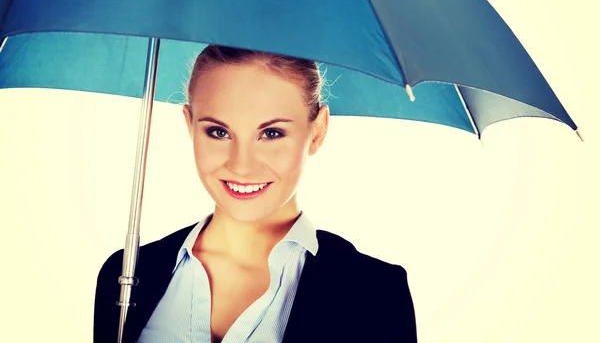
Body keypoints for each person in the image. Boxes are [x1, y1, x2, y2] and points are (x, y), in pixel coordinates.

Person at [94, 45, 417, 343]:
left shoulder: (374, 292)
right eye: (218, 132)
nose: (242, 166)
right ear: (189, 125)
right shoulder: (127, 273)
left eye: (271, 133)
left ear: (317, 131)